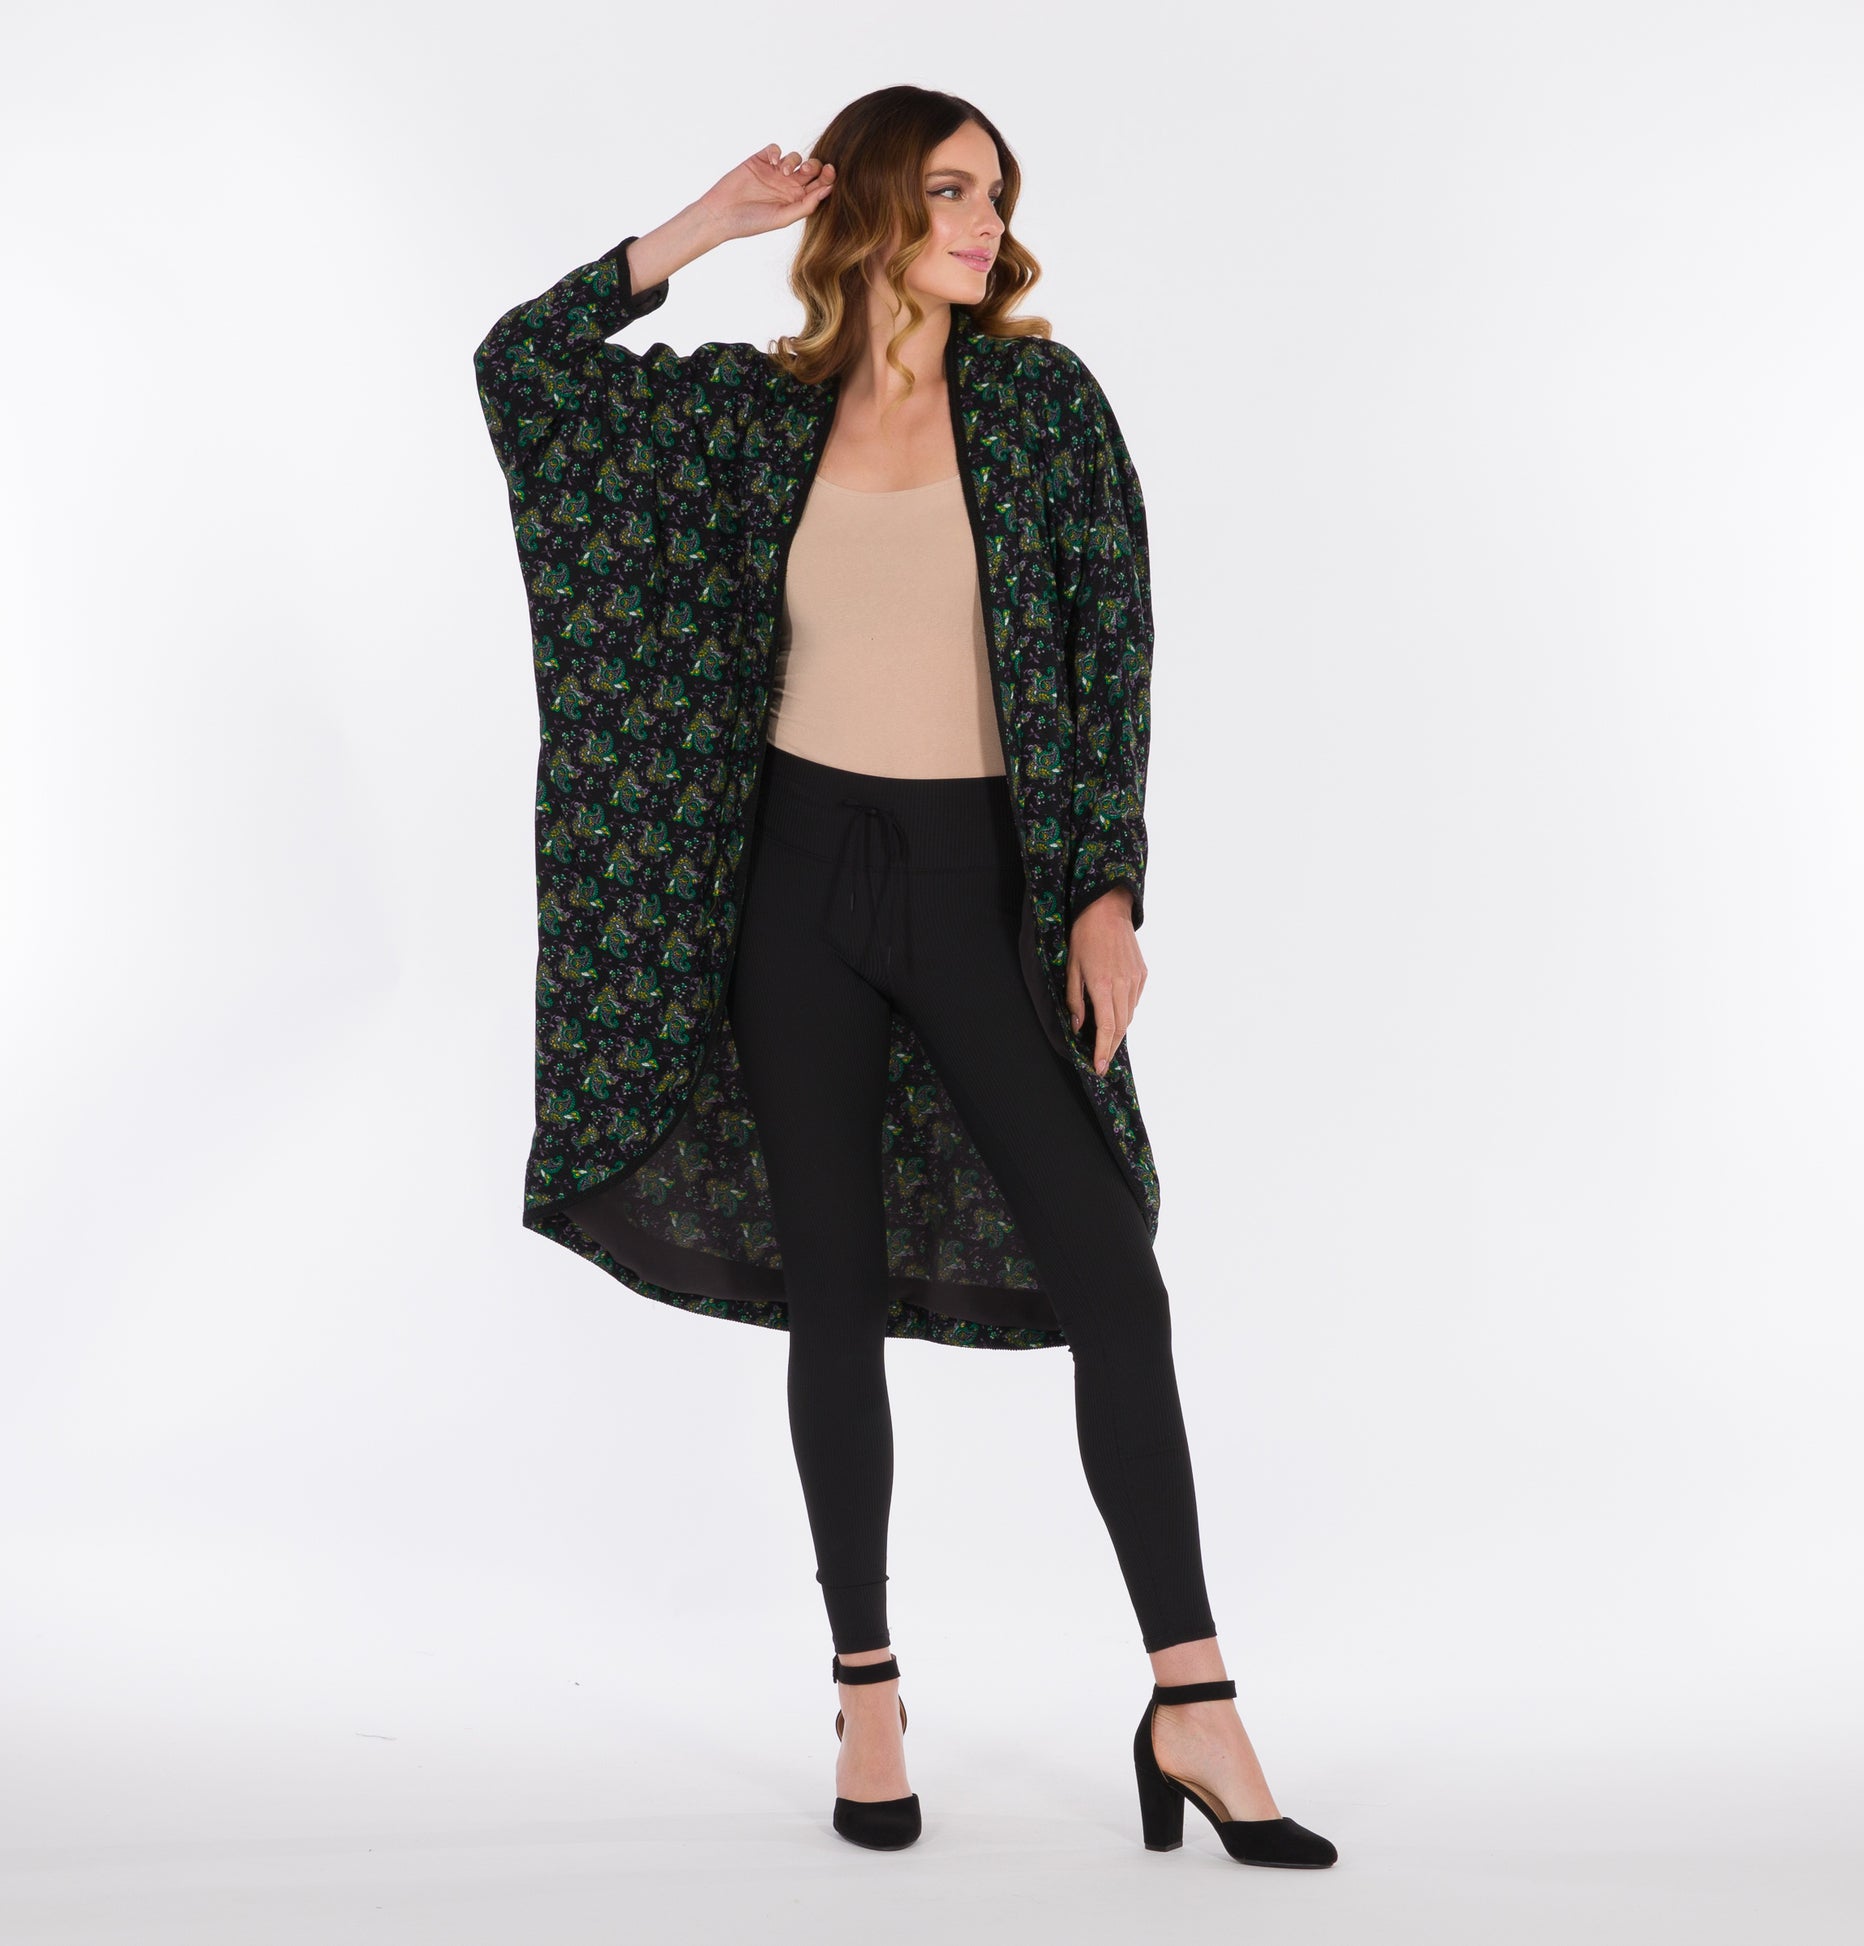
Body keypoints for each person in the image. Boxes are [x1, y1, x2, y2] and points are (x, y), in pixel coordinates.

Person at [474, 85, 1335, 1869]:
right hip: (793, 892)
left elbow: (1109, 649)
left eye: (992, 192)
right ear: (867, 204)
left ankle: (1192, 1698)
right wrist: (701, 227)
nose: (980, 220)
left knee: (1114, 1279)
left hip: (979, 895)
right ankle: (865, 1687)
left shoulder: (1038, 406)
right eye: (945, 189)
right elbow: (523, 375)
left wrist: (1103, 892)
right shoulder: (753, 419)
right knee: (834, 1294)